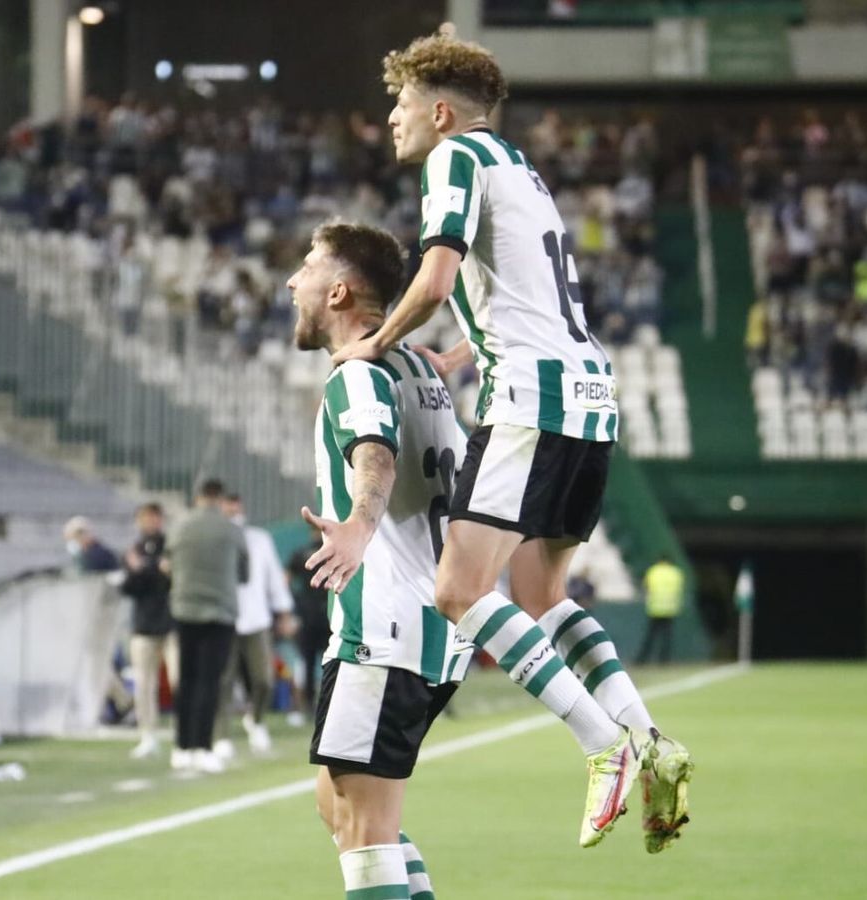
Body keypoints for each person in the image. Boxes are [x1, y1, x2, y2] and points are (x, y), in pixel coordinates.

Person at [329, 33, 691, 854]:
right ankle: (652, 738)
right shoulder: (521, 170)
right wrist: (456, 354)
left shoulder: (453, 161)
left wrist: (374, 343)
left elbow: (439, 276)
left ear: (442, 111)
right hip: (589, 395)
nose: (392, 120)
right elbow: (523, 301)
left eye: (402, 105)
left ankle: (604, 745)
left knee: (457, 591)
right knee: (540, 594)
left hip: (532, 399)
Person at [286, 224, 473, 900]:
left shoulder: (358, 371)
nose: (291, 282)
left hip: (384, 631)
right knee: (339, 808)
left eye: (306, 270)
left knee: (364, 832)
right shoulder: (419, 366)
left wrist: (359, 528)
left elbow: (376, 455)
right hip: (431, 629)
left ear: (338, 291)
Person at [164, 479, 246, 774]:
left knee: (185, 680)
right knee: (210, 682)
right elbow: (244, 572)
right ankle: (203, 746)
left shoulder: (179, 527)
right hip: (220, 611)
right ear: (220, 498)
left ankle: (181, 746)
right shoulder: (231, 529)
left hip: (184, 608)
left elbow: (167, 563)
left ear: (197, 497)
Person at [215, 492, 295, 758]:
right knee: (223, 681)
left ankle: (256, 719)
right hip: (224, 619)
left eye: (236, 508)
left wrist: (283, 612)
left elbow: (273, 577)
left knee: (264, 678)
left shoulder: (259, 539)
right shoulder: (215, 540)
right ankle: (221, 735)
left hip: (257, 619)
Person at [120, 503, 178, 759]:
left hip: (171, 622)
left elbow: (172, 579)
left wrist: (144, 568)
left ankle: (183, 732)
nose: (151, 523)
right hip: (143, 625)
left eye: (155, 517)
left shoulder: (172, 546)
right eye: (146, 518)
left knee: (179, 680)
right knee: (144, 684)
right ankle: (148, 734)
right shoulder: (133, 550)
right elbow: (129, 586)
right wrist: (149, 569)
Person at [286, 524, 331, 712]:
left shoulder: (301, 553)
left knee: (307, 661)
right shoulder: (332, 550)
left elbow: (285, 580)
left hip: (307, 615)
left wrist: (293, 605)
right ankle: (328, 703)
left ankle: (307, 705)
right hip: (328, 614)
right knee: (329, 660)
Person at [637, 554, 685, 665]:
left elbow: (646, 587)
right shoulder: (676, 573)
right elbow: (679, 590)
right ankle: (664, 660)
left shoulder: (653, 571)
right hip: (670, 609)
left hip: (655, 608)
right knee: (666, 638)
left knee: (651, 637)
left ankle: (643, 659)